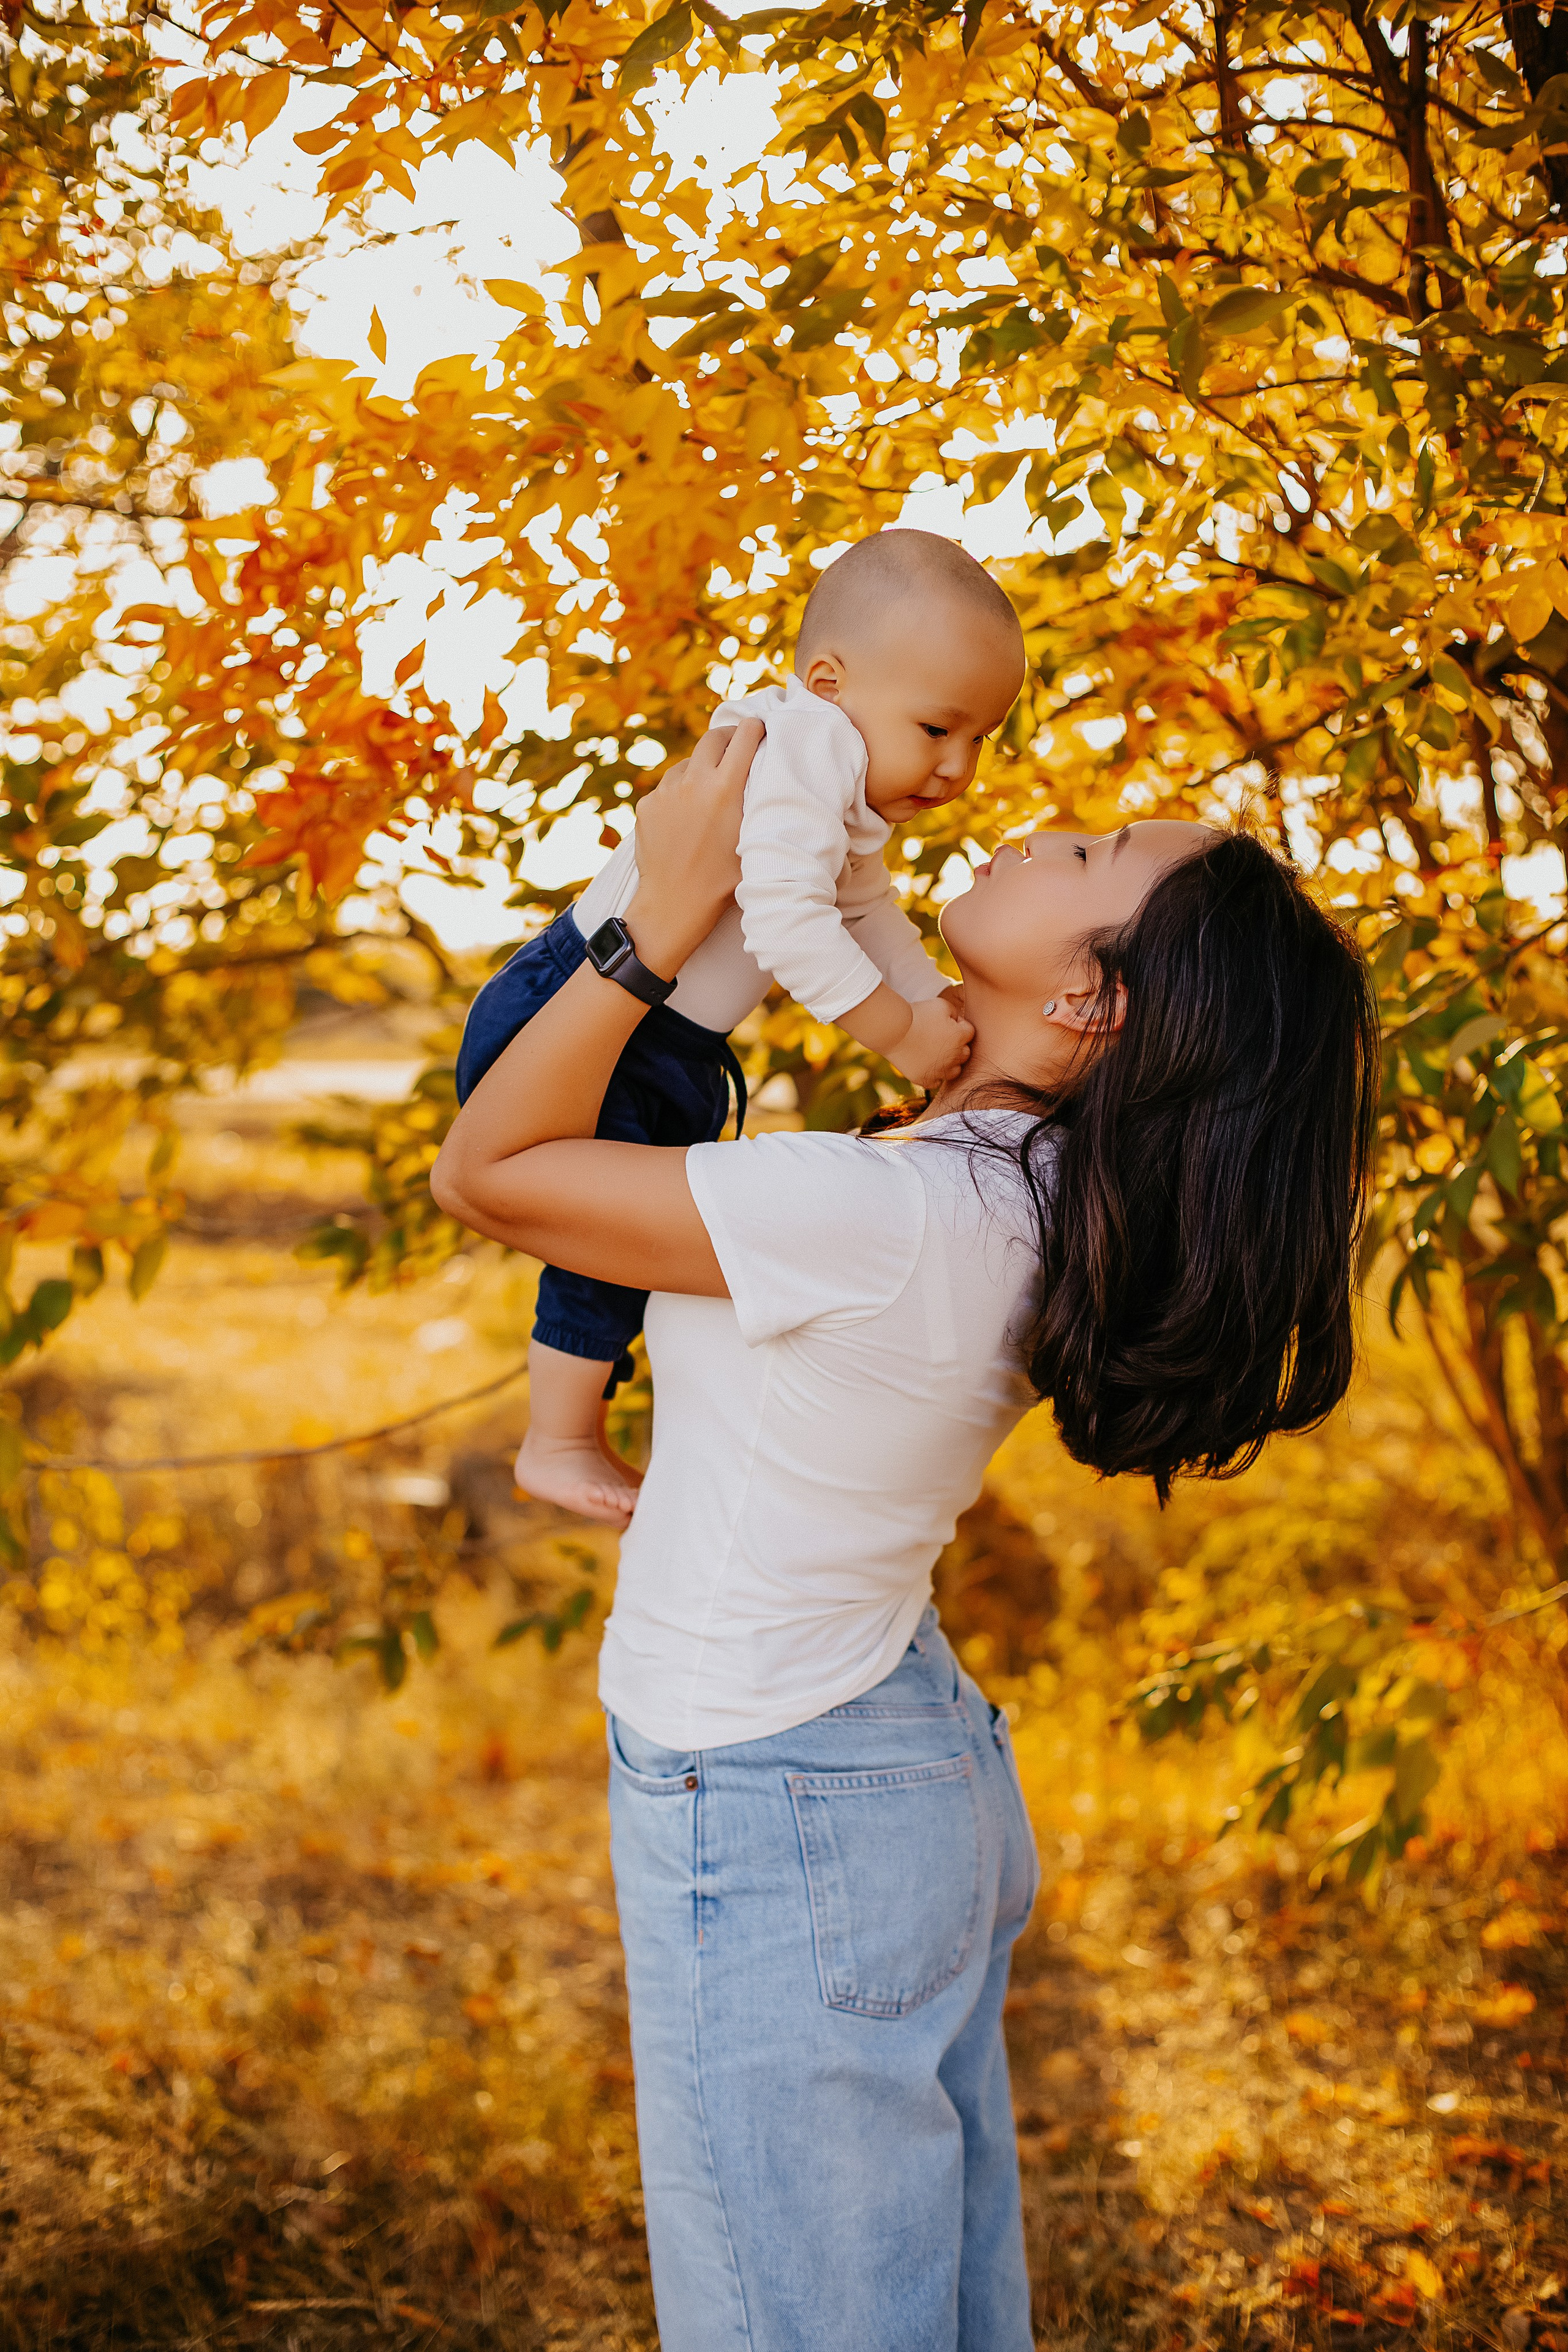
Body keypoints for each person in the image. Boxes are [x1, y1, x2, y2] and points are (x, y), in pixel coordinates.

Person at [430, 724, 1378, 2352]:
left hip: (785, 1798)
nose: (1043, 827)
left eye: (1090, 854)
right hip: (871, 1765)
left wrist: (651, 922)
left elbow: (489, 1172)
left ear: (1093, 1002)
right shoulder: (1017, 1184)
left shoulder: (886, 1214)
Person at [453, 529, 1023, 1528]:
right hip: (590, 1009)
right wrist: (901, 1032)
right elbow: (792, 924)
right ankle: (557, 1439)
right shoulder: (804, 750)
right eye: (938, 727)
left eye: (982, 739)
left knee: (624, 1245)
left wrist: (929, 994)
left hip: (665, 1040)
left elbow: (864, 906)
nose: (956, 766)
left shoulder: (838, 777)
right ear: (830, 682)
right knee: (598, 1251)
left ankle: (579, 1431)